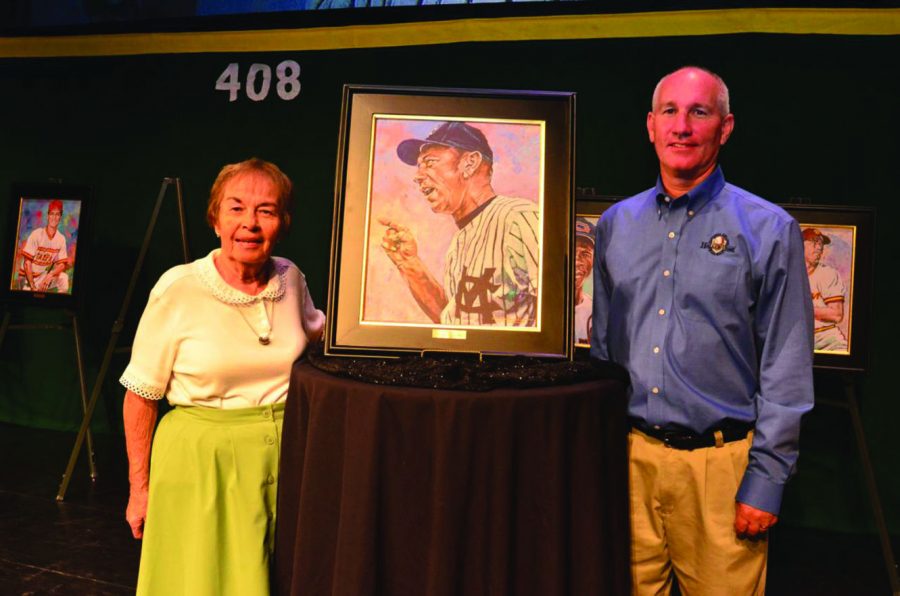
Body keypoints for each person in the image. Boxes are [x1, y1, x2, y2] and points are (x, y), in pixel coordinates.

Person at [591, 66, 814, 595]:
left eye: (700, 112)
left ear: (726, 126)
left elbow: (786, 365)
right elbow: (601, 355)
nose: (683, 127)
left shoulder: (768, 229)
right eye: (670, 111)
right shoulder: (614, 226)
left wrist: (766, 481)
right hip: (630, 463)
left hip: (722, 471)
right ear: (650, 125)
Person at [120, 158, 325, 595]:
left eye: (266, 211)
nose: (249, 223)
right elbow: (141, 394)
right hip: (201, 462)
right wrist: (140, 489)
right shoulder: (179, 287)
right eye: (236, 209)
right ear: (215, 219)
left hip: (283, 459)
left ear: (282, 223)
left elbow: (323, 333)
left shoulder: (291, 279)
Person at [379, 121, 540, 327]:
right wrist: (409, 264)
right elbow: (454, 324)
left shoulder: (520, 217)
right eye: (419, 166)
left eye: (429, 162)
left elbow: (558, 309)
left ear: (470, 163)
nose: (417, 176)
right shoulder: (457, 244)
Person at [803, 227, 848, 351]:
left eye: (821, 244)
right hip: (797, 340)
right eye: (814, 242)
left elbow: (836, 315)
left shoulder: (827, 274)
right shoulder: (788, 274)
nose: (819, 248)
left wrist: (802, 308)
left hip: (827, 339)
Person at [19, 199, 69, 292]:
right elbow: (27, 264)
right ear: (48, 216)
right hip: (27, 278)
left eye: (57, 214)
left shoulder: (61, 238)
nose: (54, 217)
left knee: (64, 278)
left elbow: (62, 265)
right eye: (52, 214)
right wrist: (33, 287)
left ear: (60, 217)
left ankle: (59, 305)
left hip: (42, 276)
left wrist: (50, 275)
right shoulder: (37, 234)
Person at [573, 216, 595, 345]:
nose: (576, 261)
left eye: (585, 254)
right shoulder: (534, 309)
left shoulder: (597, 313)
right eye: (571, 251)